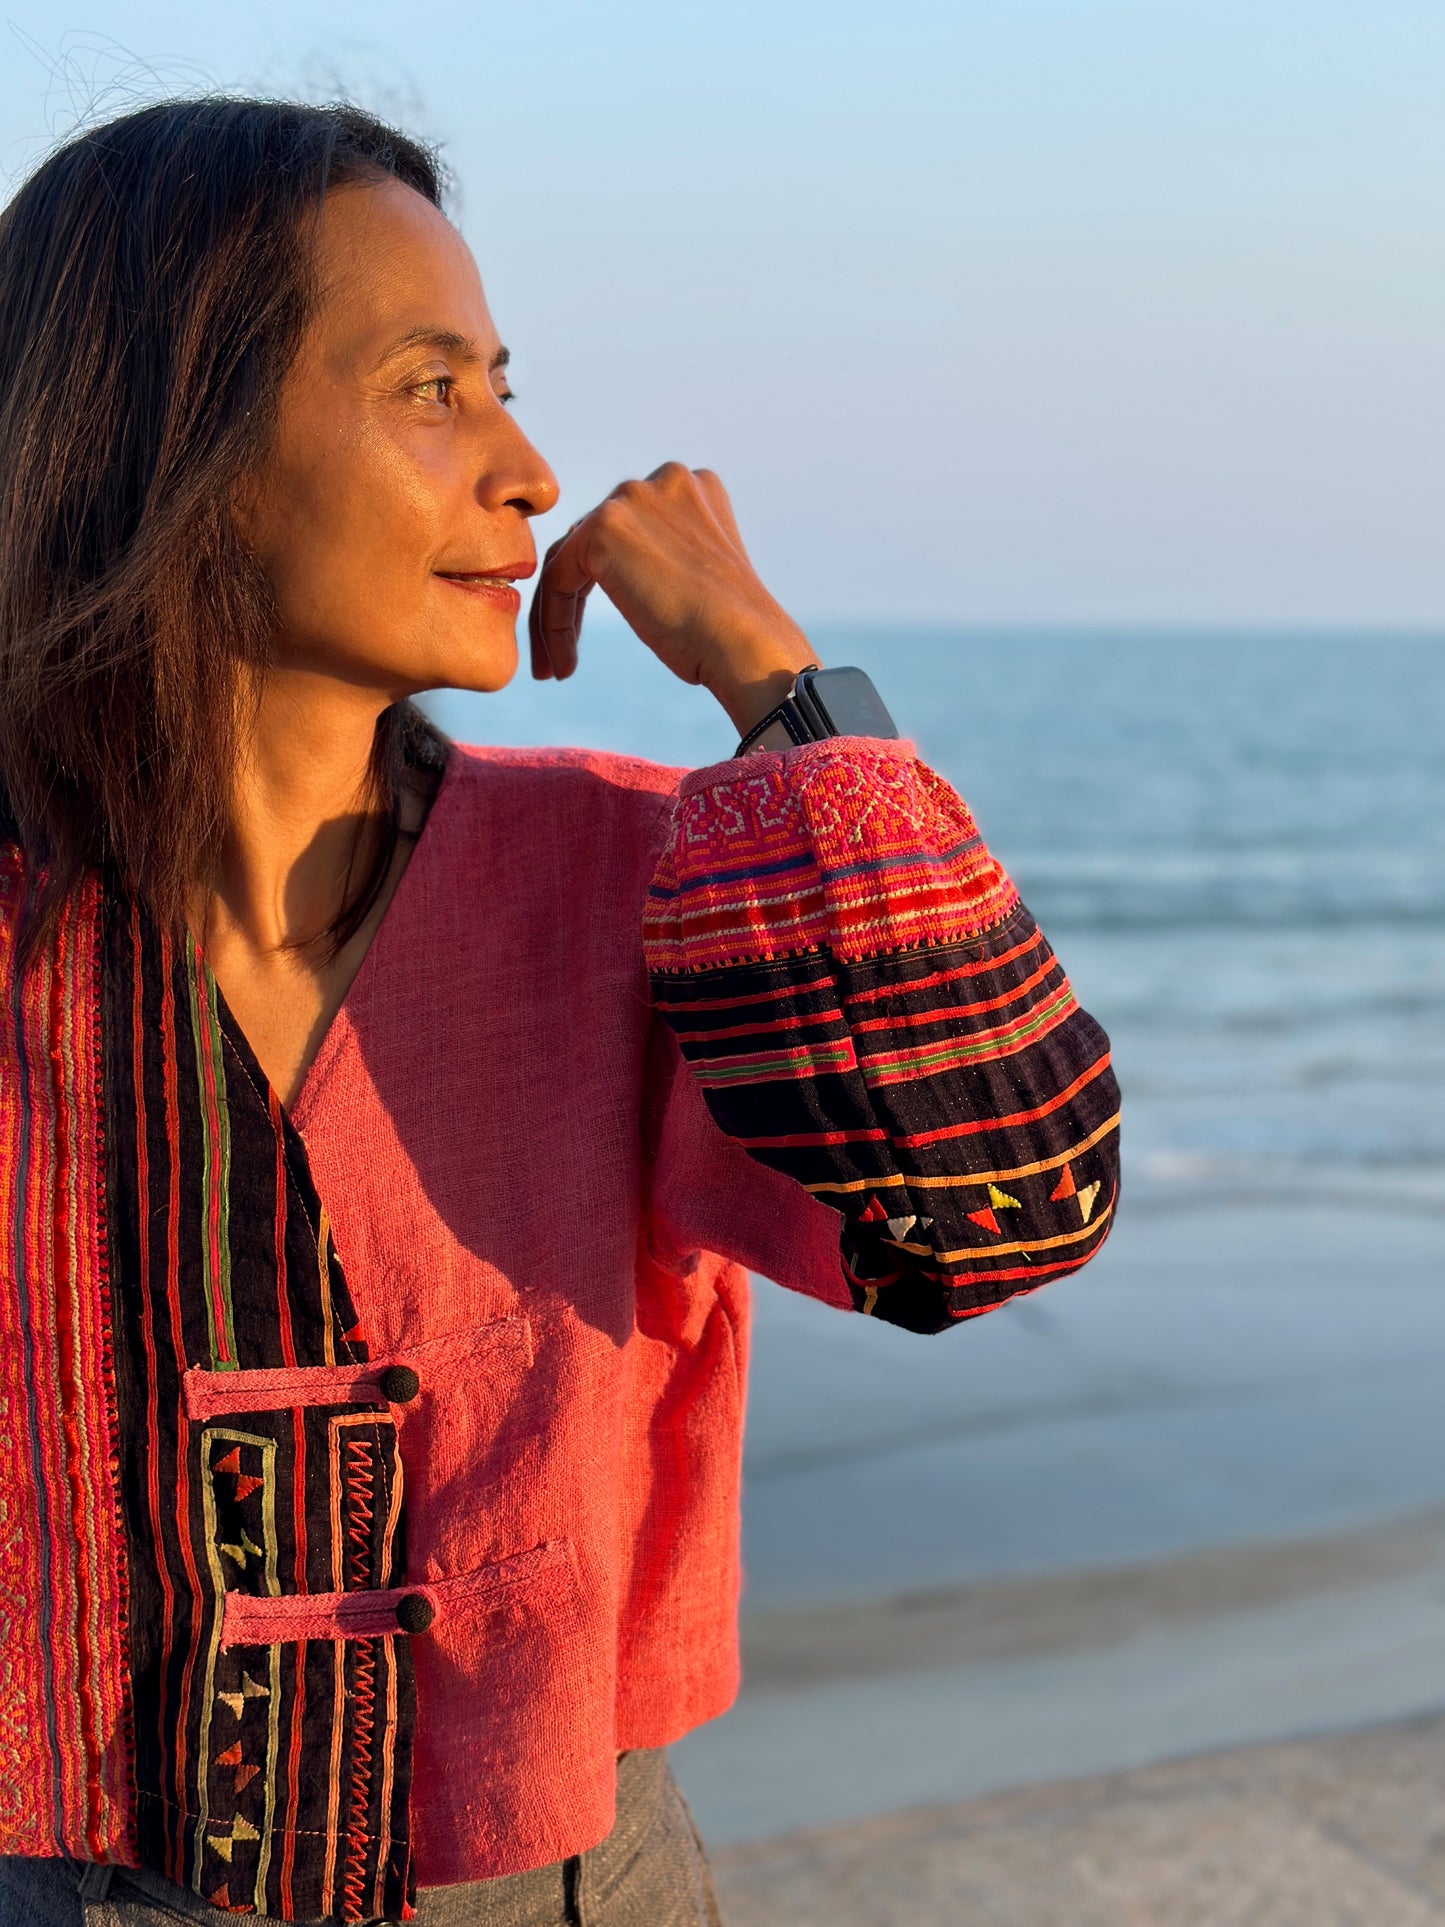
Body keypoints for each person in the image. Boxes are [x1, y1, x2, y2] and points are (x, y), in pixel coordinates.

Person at [0, 99, 1120, 1927]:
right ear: (164, 427)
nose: (528, 469)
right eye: (430, 388)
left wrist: (781, 692)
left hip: (554, 1883)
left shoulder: (635, 878)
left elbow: (1005, 1204)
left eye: (502, 384)